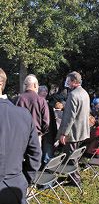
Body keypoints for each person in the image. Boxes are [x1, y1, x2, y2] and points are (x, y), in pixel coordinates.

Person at [0, 68, 41, 204]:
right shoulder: (23, 115)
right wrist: (26, 179)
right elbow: (35, 153)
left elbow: (35, 153)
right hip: (15, 186)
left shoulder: (24, 114)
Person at [57, 71, 90, 186]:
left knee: (71, 157)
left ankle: (75, 180)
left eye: (69, 80)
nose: (67, 83)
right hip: (82, 131)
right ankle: (72, 177)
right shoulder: (85, 93)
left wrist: (64, 133)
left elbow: (69, 117)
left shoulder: (73, 94)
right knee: (73, 155)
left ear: (74, 81)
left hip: (74, 132)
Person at [16, 74, 50, 145]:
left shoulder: (18, 99)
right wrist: (41, 133)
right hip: (36, 136)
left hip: (21, 136)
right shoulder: (41, 100)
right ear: (35, 85)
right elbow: (46, 122)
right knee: (36, 156)